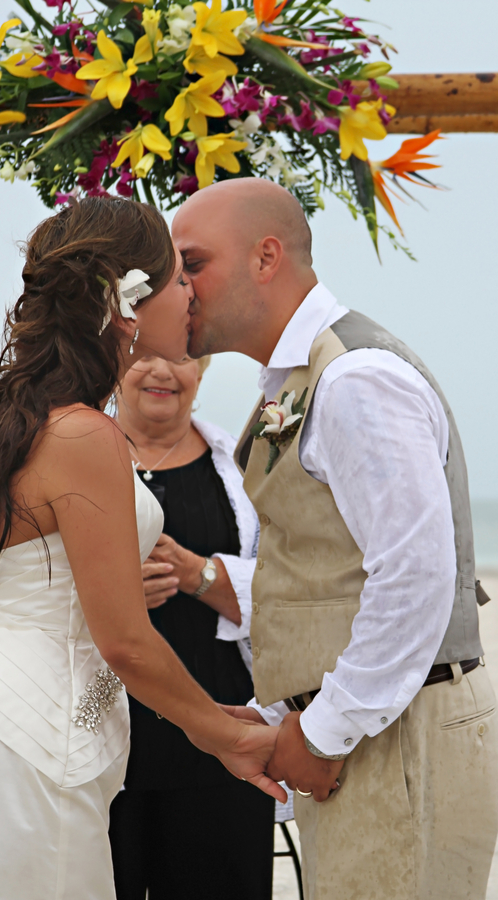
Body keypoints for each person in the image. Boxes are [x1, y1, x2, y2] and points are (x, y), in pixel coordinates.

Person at [0, 197, 285, 900]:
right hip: (35, 747)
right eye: (178, 279)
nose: (191, 293)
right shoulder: (84, 436)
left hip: (3, 722)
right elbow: (125, 645)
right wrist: (225, 737)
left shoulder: (31, 422)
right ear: (125, 301)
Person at [172, 177, 498, 900]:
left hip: (400, 739)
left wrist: (322, 733)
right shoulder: (300, 377)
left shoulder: (354, 380)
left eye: (192, 263)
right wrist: (288, 714)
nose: (177, 286)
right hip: (369, 730)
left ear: (265, 257)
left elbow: (416, 577)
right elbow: (330, 576)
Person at [109, 354, 275, 900]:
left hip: (219, 739)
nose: (161, 372)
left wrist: (199, 573)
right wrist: (113, 591)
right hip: (105, 744)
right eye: (142, 357)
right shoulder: (84, 459)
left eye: (179, 358)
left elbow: (289, 586)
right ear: (113, 364)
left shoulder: (244, 467)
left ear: (201, 370)